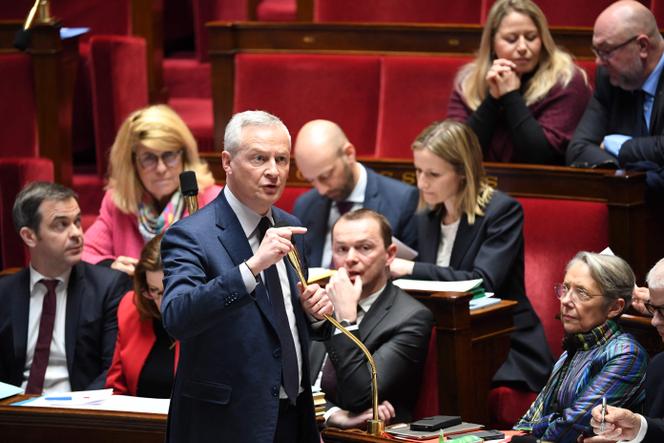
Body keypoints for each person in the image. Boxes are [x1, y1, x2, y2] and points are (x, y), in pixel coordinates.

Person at [160, 110, 334, 442]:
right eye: (259, 158)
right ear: (227, 161)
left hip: (292, 417)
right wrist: (251, 267)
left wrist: (313, 315)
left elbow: (278, 324)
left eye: (281, 159)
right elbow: (177, 317)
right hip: (225, 424)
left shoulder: (290, 227)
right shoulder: (191, 234)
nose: (274, 171)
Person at [390, 119, 554, 393]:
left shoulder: (502, 212)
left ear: (463, 172)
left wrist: (410, 268)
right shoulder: (425, 213)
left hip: (499, 339)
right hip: (443, 334)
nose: (421, 183)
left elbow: (482, 282)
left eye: (433, 174)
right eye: (418, 171)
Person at [0, 182, 130, 394]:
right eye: (61, 224)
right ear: (29, 236)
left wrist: (76, 414)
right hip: (15, 414)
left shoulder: (107, 288)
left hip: (77, 415)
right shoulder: (4, 292)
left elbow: (112, 370)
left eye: (77, 222)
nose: (76, 233)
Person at [310, 209, 433, 428]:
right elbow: (292, 385)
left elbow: (361, 397)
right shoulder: (319, 300)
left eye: (364, 248)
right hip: (310, 426)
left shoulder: (410, 317)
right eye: (341, 249)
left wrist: (346, 320)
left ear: (390, 254)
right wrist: (332, 415)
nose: (350, 259)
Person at [514, 252, 648, 443]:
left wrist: (537, 430)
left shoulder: (626, 354)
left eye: (581, 293)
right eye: (565, 288)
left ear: (614, 308)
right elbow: (529, 421)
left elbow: (568, 429)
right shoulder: (576, 344)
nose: (566, 300)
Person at [83, 104, 221, 275]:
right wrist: (109, 266)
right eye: (149, 158)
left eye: (169, 155)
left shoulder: (212, 201)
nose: (161, 168)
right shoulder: (118, 202)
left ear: (184, 155)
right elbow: (84, 253)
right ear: (131, 163)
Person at [447, 0, 591, 164]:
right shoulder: (468, 82)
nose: (522, 47)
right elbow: (457, 153)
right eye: (511, 39)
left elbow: (543, 156)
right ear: (492, 44)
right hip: (480, 183)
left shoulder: (566, 80)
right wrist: (493, 100)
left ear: (543, 39)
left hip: (542, 185)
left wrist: (510, 96)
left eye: (531, 37)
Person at [293, 119, 419, 267]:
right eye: (311, 181)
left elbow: (412, 275)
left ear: (349, 154)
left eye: (326, 176)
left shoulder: (402, 200)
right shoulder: (305, 205)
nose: (322, 190)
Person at [567, 0, 664, 183]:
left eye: (605, 51)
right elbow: (578, 148)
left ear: (642, 46)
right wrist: (626, 174)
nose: (598, 62)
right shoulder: (610, 77)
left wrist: (620, 146)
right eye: (596, 51)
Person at [584, 257, 664, 443]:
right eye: (653, 308)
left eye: (663, 311)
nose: (654, 321)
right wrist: (623, 437)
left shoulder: (627, 354)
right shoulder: (659, 367)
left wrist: (639, 429)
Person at [105, 234, 177, 398]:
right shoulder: (131, 309)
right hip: (138, 421)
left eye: (170, 291)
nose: (163, 303)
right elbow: (117, 388)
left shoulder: (204, 314)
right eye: (155, 291)